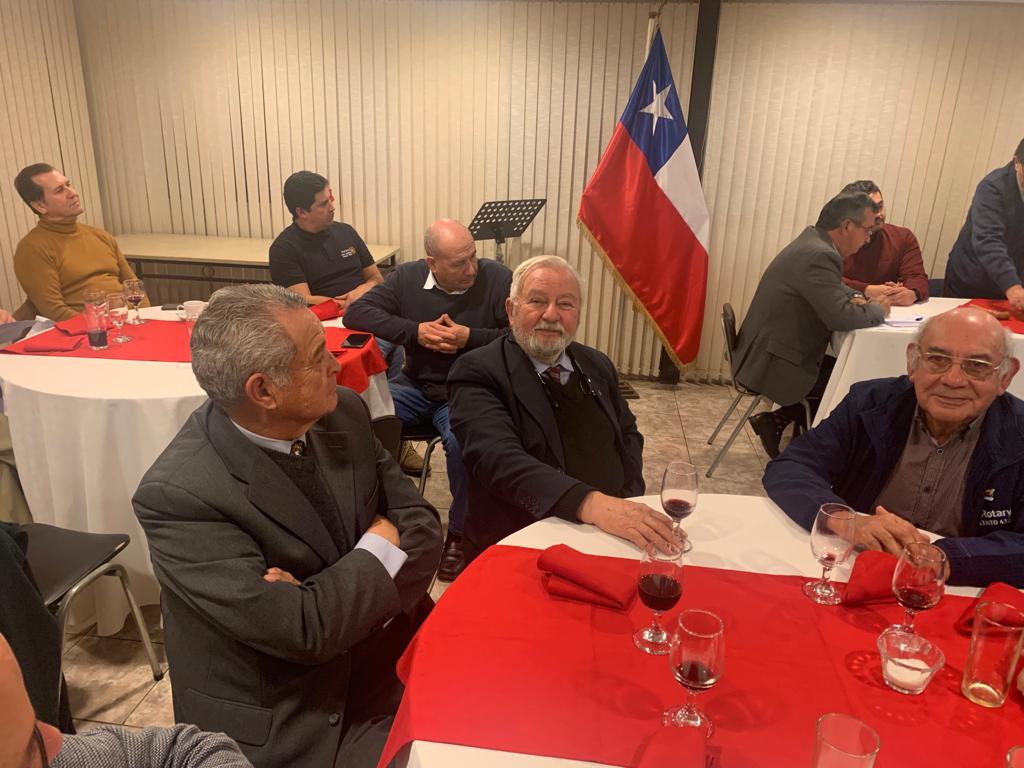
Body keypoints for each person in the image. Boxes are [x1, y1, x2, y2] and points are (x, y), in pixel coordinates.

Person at [132, 284, 442, 768]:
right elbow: (304, 631)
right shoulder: (181, 495)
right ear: (263, 391)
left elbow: (423, 528)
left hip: (386, 662)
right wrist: (379, 546)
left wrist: (323, 601)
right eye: (318, 356)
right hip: (291, 714)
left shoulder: (342, 412)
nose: (337, 365)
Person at [763, 307, 1024, 588]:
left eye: (977, 365)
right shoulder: (869, 403)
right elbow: (791, 467)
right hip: (854, 571)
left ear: (1005, 376)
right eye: (937, 359)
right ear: (913, 363)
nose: (953, 380)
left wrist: (948, 558)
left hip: (958, 589)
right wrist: (847, 522)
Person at [448, 255, 675, 561]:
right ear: (511, 310)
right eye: (537, 301)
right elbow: (498, 461)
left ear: (578, 314)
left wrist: (628, 498)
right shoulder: (478, 371)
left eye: (565, 304)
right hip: (525, 541)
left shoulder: (597, 364)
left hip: (610, 534)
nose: (551, 314)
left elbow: (628, 436)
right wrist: (593, 505)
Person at [345, 219, 512, 581]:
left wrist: (471, 338)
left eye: (473, 257)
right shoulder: (408, 277)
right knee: (356, 418)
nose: (472, 269)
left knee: (464, 442)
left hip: (468, 391)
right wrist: (415, 332)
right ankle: (377, 519)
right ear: (432, 263)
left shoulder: (497, 278)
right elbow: (355, 313)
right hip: (415, 386)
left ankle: (460, 535)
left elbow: (519, 337)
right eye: (459, 263)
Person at [734, 192, 891, 458]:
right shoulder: (820, 254)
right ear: (847, 226)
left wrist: (857, 297)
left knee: (844, 370)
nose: (868, 239)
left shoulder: (813, 241)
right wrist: (878, 309)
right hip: (771, 363)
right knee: (859, 383)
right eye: (867, 230)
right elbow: (839, 317)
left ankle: (779, 423)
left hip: (766, 351)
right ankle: (816, 455)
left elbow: (833, 290)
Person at [0, 633, 253, 768]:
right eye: (30, 749)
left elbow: (181, 751)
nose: (57, 736)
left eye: (35, 728)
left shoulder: (60, 756)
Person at [12, 164, 146, 321]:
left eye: (68, 184)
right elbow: (56, 312)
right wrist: (103, 326)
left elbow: (133, 287)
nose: (73, 193)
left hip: (127, 322)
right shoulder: (33, 248)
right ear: (40, 206)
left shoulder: (100, 236)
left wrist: (144, 319)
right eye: (59, 190)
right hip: (89, 330)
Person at [268, 171, 383, 311]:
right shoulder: (284, 249)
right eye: (323, 204)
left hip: (368, 306)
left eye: (330, 199)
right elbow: (302, 301)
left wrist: (364, 289)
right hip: (328, 317)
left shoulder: (346, 231)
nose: (332, 207)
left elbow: (376, 278)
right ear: (302, 212)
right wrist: (349, 302)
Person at [944, 139, 1024, 307]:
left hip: (1012, 282)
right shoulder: (993, 187)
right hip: (970, 280)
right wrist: (1013, 286)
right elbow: (988, 241)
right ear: (1016, 162)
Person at [839, 180, 928, 306]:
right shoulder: (837, 238)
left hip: (893, 312)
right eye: (871, 209)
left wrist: (911, 293)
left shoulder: (903, 237)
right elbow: (825, 279)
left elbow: (917, 278)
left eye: (880, 206)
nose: (879, 214)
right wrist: (867, 290)